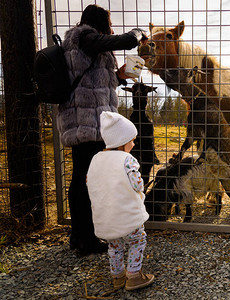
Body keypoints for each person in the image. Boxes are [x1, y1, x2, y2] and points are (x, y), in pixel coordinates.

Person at [57, 4, 148, 255]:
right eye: (108, 21)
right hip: (87, 122)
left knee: (83, 178)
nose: (111, 26)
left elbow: (111, 81)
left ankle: (80, 237)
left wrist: (139, 63)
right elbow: (128, 40)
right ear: (100, 22)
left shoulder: (90, 46)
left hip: (93, 121)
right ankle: (85, 239)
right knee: (85, 180)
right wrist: (139, 34)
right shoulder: (83, 37)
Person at [87, 111, 154, 291]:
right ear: (121, 142)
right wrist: (141, 182)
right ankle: (133, 276)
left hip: (106, 217)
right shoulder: (127, 160)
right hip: (127, 216)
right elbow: (137, 185)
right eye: (131, 140)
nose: (133, 144)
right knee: (137, 241)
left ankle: (117, 277)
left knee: (114, 246)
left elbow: (89, 181)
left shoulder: (95, 159)